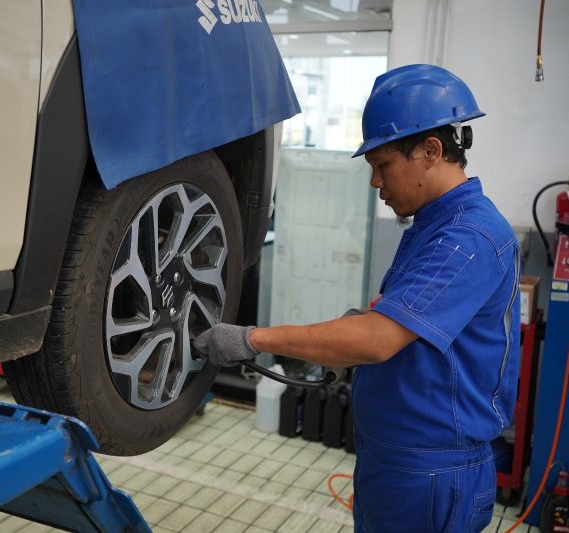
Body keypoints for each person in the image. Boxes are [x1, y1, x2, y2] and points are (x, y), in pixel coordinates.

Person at [194, 64, 521, 532]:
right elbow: (397, 326)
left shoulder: (468, 237)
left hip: (430, 474)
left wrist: (253, 339)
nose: (375, 183)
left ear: (431, 151)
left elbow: (378, 340)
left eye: (382, 166)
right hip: (394, 461)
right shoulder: (433, 226)